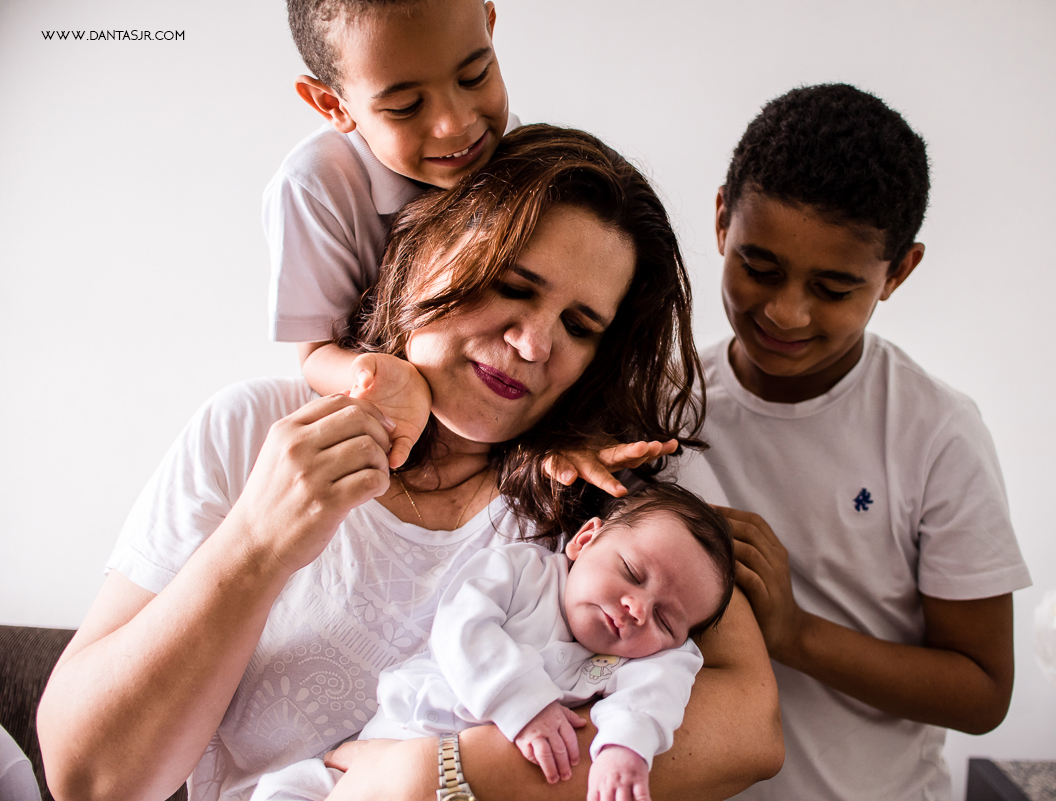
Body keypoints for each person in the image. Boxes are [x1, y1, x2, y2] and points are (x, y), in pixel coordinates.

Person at [38, 125, 782, 801]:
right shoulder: (253, 432)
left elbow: (748, 732)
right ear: (426, 246)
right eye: (511, 285)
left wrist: (429, 777)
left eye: (579, 326)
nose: (532, 345)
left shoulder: (615, 489)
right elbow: (89, 780)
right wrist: (258, 544)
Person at [677, 84, 1033, 800]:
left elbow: (983, 691)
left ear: (898, 271)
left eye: (834, 288)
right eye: (759, 268)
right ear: (721, 220)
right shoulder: (664, 398)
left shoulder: (935, 433)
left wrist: (795, 632)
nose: (786, 312)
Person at [251, 483, 736, 801]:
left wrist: (624, 750)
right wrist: (525, 704)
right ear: (586, 540)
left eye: (666, 620)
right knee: (288, 791)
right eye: (631, 572)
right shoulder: (522, 571)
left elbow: (653, 700)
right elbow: (464, 627)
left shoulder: (655, 658)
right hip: (388, 742)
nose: (637, 609)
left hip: (466, 785)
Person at [266, 0, 520, 470]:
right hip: (394, 435)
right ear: (332, 104)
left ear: (489, 26)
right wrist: (389, 378)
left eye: (474, 77)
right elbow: (317, 356)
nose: (457, 123)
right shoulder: (318, 184)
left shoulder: (522, 156)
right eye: (405, 107)